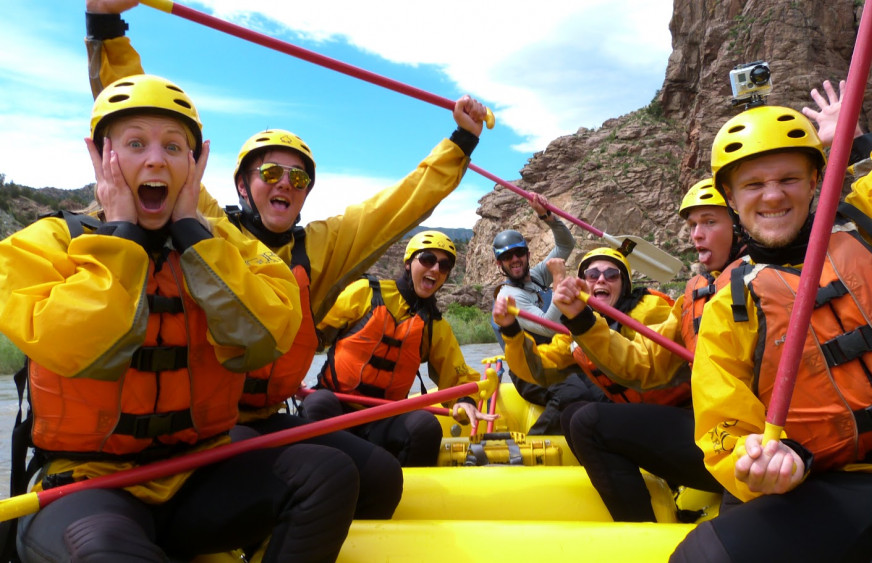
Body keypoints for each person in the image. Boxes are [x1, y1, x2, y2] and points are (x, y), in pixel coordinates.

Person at [85, 0, 490, 518]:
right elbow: (140, 130)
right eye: (270, 173)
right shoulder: (202, 221)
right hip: (206, 423)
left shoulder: (321, 247)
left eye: (298, 178)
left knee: (381, 477)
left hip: (267, 414)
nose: (284, 184)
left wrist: (460, 140)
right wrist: (107, 28)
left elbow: (401, 204)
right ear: (241, 184)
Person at [669, 1, 872, 560]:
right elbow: (724, 426)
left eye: (789, 177)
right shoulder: (733, 300)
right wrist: (760, 462)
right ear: (731, 201)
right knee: (705, 554)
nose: (773, 195)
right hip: (847, 478)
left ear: (818, 176)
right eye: (753, 185)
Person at [0, 74, 358, 562]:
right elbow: (84, 348)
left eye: (173, 147)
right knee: (105, 551)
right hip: (88, 484)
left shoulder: (227, 247)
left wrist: (195, 238)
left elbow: (264, 339)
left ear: (195, 163)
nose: (154, 159)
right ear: (99, 155)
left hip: (199, 473)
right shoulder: (41, 246)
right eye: (135, 143)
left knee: (327, 474)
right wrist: (123, 238)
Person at [495, 244, 722, 521]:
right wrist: (511, 331)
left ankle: (644, 524)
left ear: (624, 285)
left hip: (696, 425)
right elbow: (538, 370)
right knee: (571, 414)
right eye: (591, 275)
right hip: (650, 427)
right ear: (583, 285)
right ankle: (631, 498)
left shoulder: (652, 312)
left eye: (611, 275)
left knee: (587, 419)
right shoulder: (578, 331)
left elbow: (641, 363)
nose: (600, 279)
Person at [300, 231, 499, 466]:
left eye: (444, 265)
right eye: (427, 259)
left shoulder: (434, 326)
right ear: (408, 263)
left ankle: (403, 488)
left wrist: (465, 400)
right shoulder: (364, 292)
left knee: (425, 427)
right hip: (337, 407)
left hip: (383, 419)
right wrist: (289, 375)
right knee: (317, 404)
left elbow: (456, 375)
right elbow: (311, 336)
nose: (435, 269)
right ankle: (321, 475)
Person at [491, 197, 605, 434]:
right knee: (574, 392)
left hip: (558, 358)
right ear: (498, 263)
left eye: (518, 252)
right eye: (507, 256)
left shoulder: (535, 276)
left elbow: (565, 245)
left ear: (527, 253)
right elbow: (549, 327)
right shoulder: (508, 296)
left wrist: (548, 217)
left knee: (602, 389)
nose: (514, 260)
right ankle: (533, 442)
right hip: (530, 369)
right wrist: (559, 279)